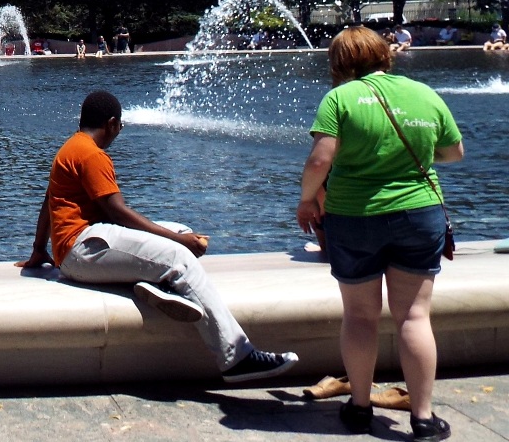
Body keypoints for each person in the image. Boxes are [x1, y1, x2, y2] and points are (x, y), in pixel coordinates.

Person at [19, 90, 299, 383]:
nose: (119, 132)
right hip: (83, 248)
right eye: (120, 126)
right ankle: (236, 357)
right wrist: (180, 244)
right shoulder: (92, 155)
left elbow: (48, 203)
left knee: (180, 230)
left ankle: (156, 285)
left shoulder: (71, 148)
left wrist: (39, 249)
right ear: (112, 123)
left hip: (78, 250)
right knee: (178, 254)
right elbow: (118, 213)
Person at [298, 26, 464, 442]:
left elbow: (321, 159)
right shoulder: (424, 94)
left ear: (340, 64)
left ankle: (359, 407)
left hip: (355, 218)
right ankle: (423, 420)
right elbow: (453, 153)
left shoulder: (339, 98)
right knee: (414, 316)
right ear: (384, 55)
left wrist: (307, 200)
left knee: (359, 316)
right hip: (419, 213)